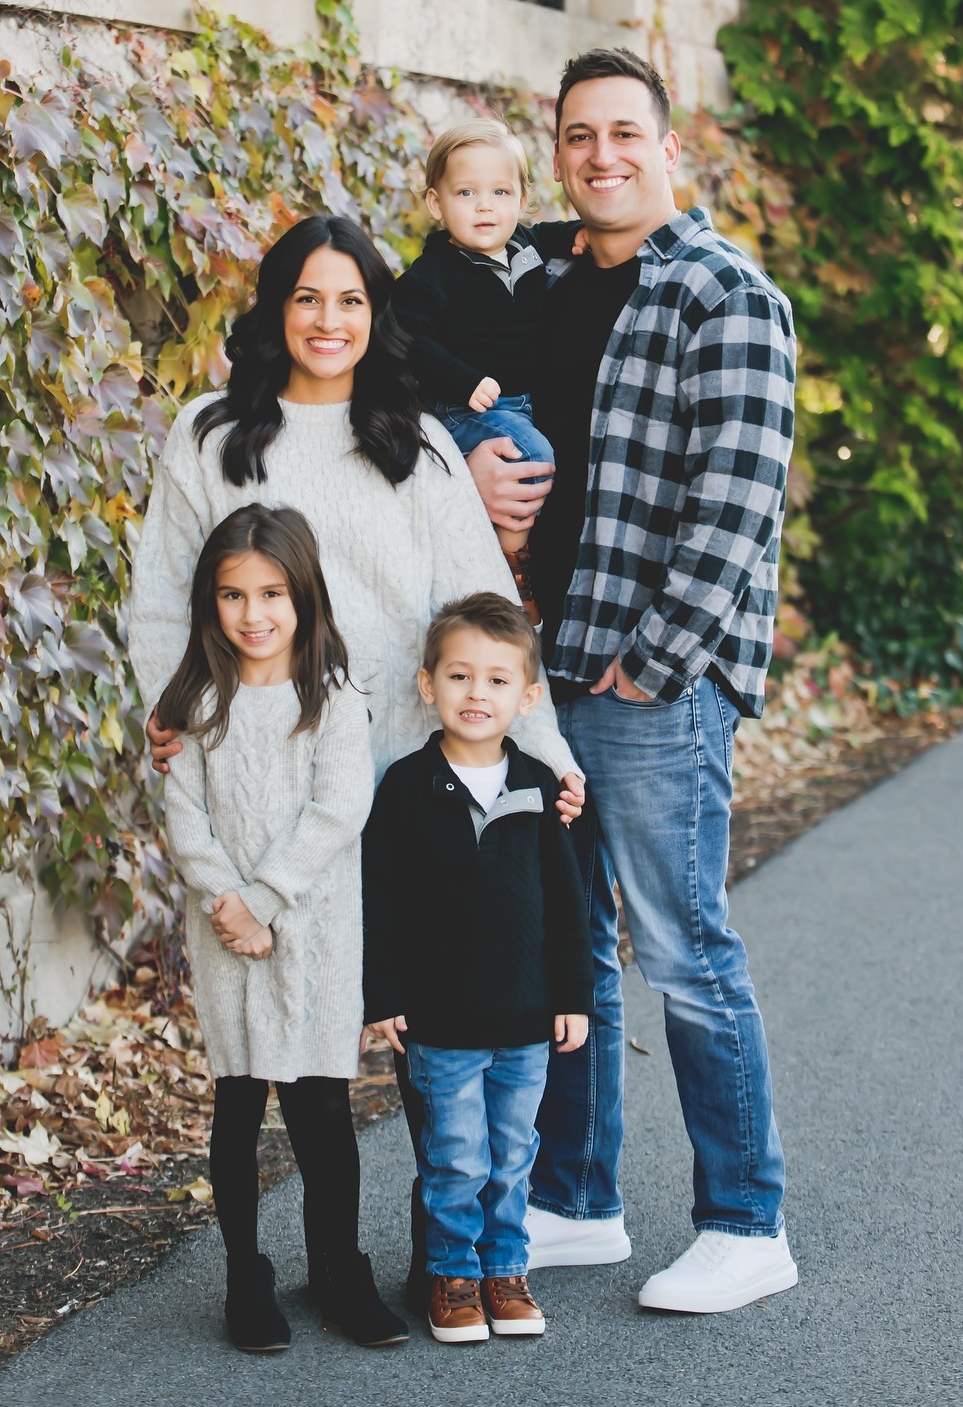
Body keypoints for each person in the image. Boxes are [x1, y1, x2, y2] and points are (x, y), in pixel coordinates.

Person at [130, 213, 585, 1311]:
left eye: (350, 301)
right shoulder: (209, 435)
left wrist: (543, 748)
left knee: (441, 1020)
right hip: (267, 788)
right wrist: (171, 720)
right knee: (295, 1038)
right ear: (275, 310)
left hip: (411, 778)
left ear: (378, 315)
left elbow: (479, 601)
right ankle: (309, 1264)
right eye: (307, 298)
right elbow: (161, 603)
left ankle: (452, 1257)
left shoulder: (416, 445)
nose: (327, 321)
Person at [465, 47, 801, 1315]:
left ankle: (747, 1222)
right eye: (577, 136)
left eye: (622, 133)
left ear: (669, 147)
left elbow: (737, 505)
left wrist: (651, 662)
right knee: (572, 952)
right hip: (543, 670)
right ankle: (577, 1202)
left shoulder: (727, 295)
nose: (600, 155)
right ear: (557, 153)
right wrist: (471, 461)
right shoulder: (541, 277)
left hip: (649, 681)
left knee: (684, 947)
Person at [150, 502, 404, 1351]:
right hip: (224, 932)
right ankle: (245, 1276)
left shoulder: (330, 696)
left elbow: (339, 809)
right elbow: (186, 820)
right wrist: (228, 900)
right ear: (209, 602)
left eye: (270, 595)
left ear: (303, 597)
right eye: (232, 596)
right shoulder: (195, 702)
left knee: (321, 1107)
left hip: (315, 927)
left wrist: (263, 899)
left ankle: (339, 1269)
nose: (252, 614)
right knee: (237, 1103)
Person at [361, 593, 593, 1344]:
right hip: (442, 1024)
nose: (476, 693)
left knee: (513, 1155)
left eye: (497, 680)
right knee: (456, 1159)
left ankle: (506, 1272)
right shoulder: (406, 786)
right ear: (427, 685)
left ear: (527, 697)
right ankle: (452, 1274)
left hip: (526, 1021)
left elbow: (569, 905)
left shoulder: (539, 786)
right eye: (459, 676)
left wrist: (574, 996)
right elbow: (381, 899)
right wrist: (383, 995)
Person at [393, 119, 578, 617]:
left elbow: (552, 235)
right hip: (463, 406)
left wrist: (579, 235)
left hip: (519, 402)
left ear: (521, 199)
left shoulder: (526, 247)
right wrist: (462, 378)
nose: (484, 206)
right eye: (466, 192)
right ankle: (512, 569)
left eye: (500, 192)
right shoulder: (434, 275)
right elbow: (409, 337)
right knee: (533, 456)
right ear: (437, 204)